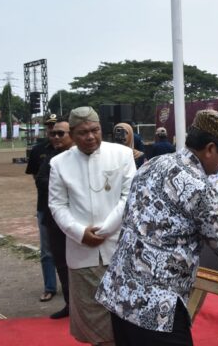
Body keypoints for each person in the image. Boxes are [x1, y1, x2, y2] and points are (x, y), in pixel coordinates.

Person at [96, 109, 218, 346]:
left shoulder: (153, 163)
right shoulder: (200, 187)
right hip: (156, 308)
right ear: (210, 149)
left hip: (120, 291)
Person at [49, 106, 136, 345]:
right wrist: (80, 233)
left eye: (95, 130)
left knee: (125, 315)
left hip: (119, 248)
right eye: (83, 132)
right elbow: (57, 205)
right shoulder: (59, 163)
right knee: (93, 321)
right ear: (72, 134)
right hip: (81, 251)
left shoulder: (122, 154)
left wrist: (105, 230)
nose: (90, 137)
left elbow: (130, 197)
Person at [36, 118, 74, 319]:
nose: (56, 137)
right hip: (54, 218)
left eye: (61, 133)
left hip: (80, 219)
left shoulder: (80, 155)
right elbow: (40, 180)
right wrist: (64, 184)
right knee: (60, 261)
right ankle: (70, 304)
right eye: (53, 133)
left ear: (72, 135)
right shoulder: (50, 156)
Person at [26, 113, 59, 302]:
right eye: (50, 127)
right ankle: (50, 287)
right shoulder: (38, 150)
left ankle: (72, 288)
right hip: (44, 206)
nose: (53, 131)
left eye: (56, 127)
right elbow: (36, 177)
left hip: (72, 207)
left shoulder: (72, 149)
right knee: (47, 250)